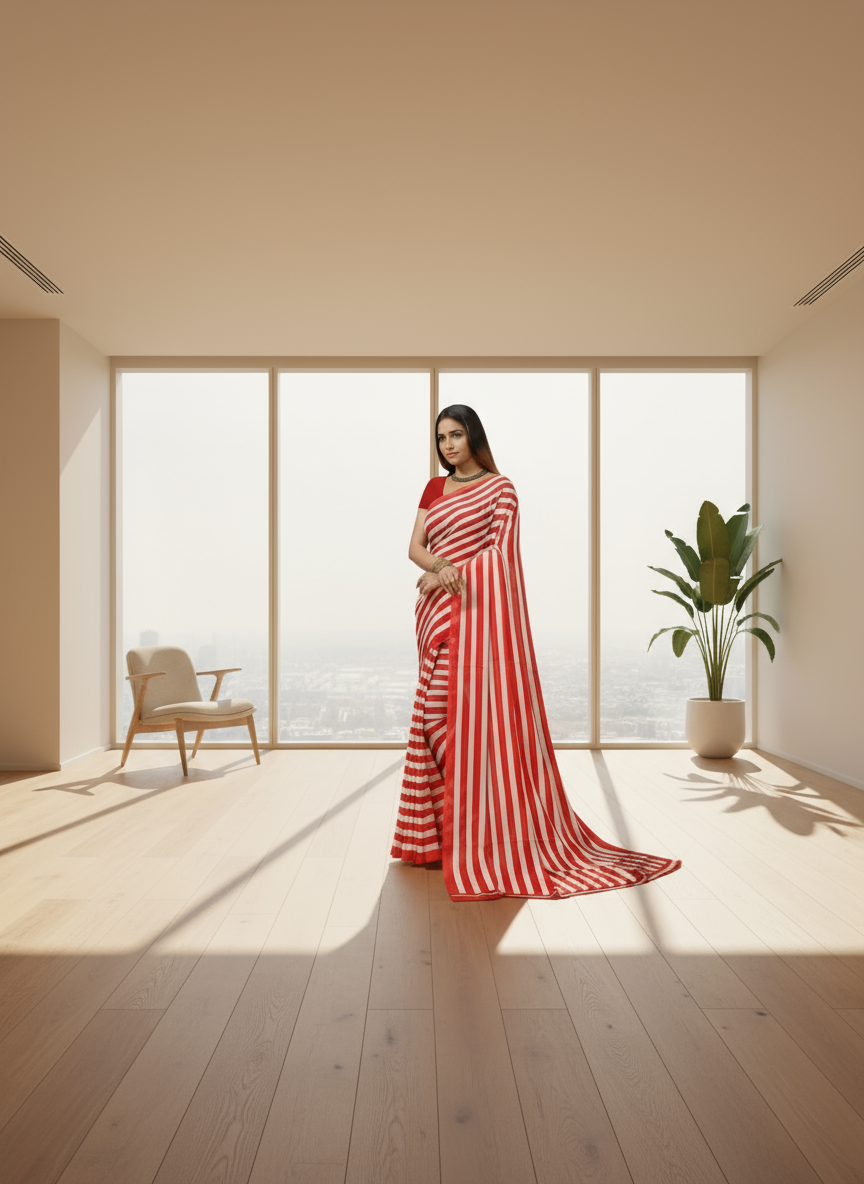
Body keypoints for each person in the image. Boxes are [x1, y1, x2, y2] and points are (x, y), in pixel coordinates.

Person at [391, 404, 681, 901]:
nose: (448, 446)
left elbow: (499, 554)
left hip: (479, 615)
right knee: (431, 719)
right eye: (441, 438)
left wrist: (445, 572)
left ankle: (476, 834)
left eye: (456, 435)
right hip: (438, 613)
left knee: (459, 720)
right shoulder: (434, 489)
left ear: (473, 436)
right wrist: (440, 566)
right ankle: (443, 838)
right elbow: (414, 547)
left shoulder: (501, 489)